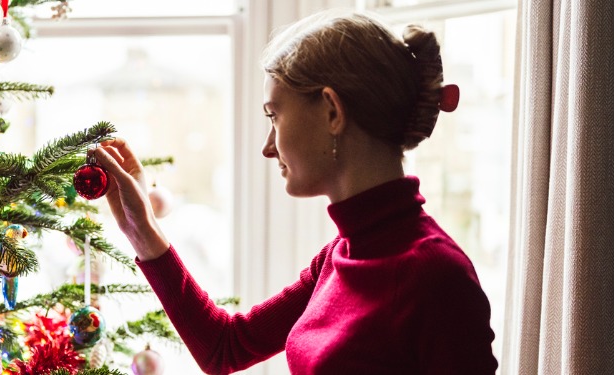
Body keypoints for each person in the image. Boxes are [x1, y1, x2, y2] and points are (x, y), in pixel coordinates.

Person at [91, 9, 497, 375]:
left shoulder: (436, 277)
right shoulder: (339, 255)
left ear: (331, 112)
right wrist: (139, 228)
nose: (269, 147)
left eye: (275, 116)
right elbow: (223, 348)